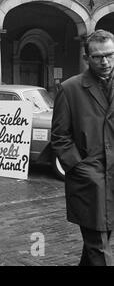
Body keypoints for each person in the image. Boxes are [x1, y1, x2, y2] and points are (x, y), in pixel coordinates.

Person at [51, 29, 114, 266]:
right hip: (89, 182)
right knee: (99, 248)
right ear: (87, 58)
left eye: (109, 54)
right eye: (97, 56)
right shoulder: (70, 89)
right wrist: (80, 168)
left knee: (99, 244)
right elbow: (60, 137)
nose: (105, 61)